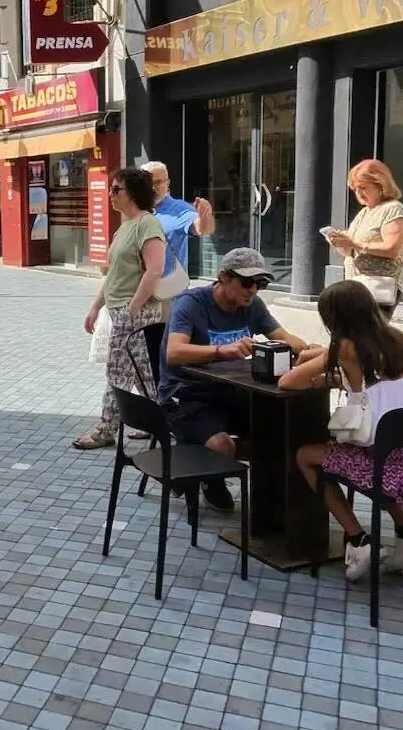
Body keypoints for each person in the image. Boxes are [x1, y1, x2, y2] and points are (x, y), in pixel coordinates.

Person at [281, 280, 403, 581]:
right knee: (380, 451)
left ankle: (359, 540)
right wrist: (330, 368)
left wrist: (319, 375)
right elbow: (377, 381)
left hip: (387, 462)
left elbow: (288, 382)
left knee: (306, 455)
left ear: (335, 318)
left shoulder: (346, 347)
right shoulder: (398, 338)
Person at [159, 248, 309, 511]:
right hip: (185, 394)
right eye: (247, 282)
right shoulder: (190, 303)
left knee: (281, 429)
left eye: (260, 284)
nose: (253, 290)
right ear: (224, 277)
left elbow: (285, 337)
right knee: (222, 446)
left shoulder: (253, 307)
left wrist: (312, 352)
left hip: (232, 391)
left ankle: (271, 501)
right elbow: (174, 352)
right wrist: (220, 351)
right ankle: (207, 476)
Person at [76, 167, 167, 451]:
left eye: (117, 189)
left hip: (136, 313)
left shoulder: (147, 223)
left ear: (133, 193)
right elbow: (113, 274)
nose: (110, 195)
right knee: (145, 374)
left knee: (117, 373)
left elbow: (154, 271)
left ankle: (106, 429)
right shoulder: (125, 226)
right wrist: (95, 307)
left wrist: (131, 309)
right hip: (121, 310)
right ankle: (162, 423)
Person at [325, 159, 403, 318]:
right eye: (355, 189)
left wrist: (355, 243)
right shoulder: (365, 212)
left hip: (378, 286)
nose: (359, 193)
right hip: (358, 285)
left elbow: (392, 249)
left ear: (381, 186)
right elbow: (351, 251)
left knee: (369, 336)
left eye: (363, 188)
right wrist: (340, 242)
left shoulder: (392, 209)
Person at [141, 161, 215, 278]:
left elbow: (203, 229)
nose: (153, 188)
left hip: (168, 290)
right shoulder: (136, 209)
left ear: (167, 183)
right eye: (148, 183)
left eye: (158, 182)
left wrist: (205, 215)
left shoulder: (179, 209)